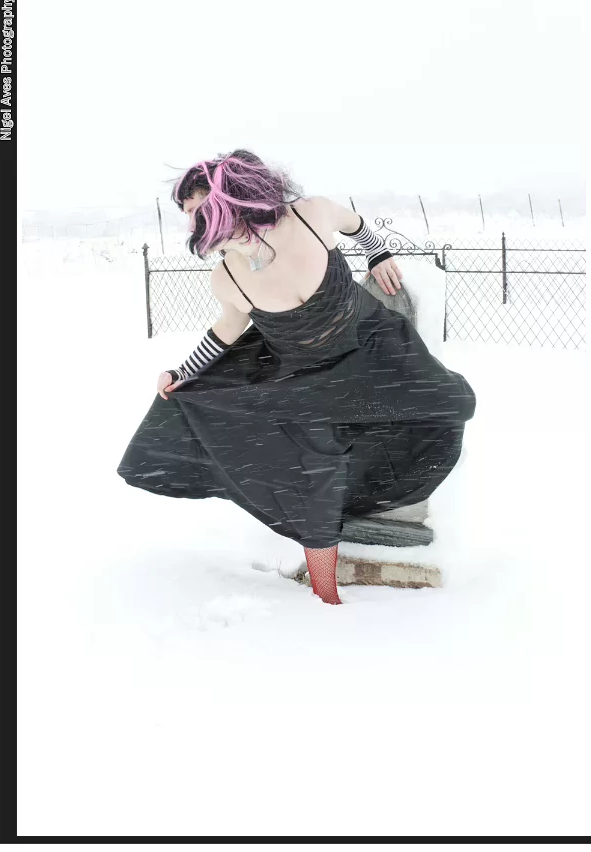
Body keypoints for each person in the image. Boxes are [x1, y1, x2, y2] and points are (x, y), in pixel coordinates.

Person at [117, 149, 476, 605]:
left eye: (197, 209)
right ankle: (327, 599)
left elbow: (356, 224)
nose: (192, 224)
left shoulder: (311, 215)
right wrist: (182, 371)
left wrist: (377, 252)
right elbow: (227, 329)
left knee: (447, 403)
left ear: (232, 196)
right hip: (307, 381)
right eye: (187, 214)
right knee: (314, 479)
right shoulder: (228, 276)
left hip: (374, 348)